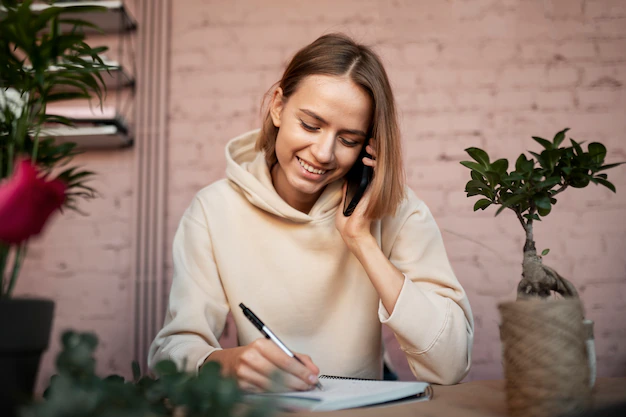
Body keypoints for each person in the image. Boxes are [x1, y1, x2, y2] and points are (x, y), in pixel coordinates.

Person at [148, 33, 474, 392]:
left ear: (367, 145)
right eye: (310, 125)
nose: (323, 153)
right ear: (277, 106)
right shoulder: (213, 210)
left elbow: (450, 364)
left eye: (348, 140)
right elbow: (170, 355)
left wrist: (361, 240)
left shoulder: (396, 210)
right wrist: (230, 365)